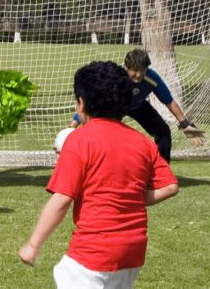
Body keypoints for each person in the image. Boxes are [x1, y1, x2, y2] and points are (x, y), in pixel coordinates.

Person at [20, 60, 179, 287]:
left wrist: (33, 245)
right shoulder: (143, 142)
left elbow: (62, 199)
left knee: (64, 273)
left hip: (94, 251)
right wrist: (135, 198)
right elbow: (170, 186)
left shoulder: (79, 141)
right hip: (133, 253)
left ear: (81, 104)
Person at [69, 48, 205, 162]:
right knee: (106, 138)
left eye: (142, 70)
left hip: (138, 106)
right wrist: (73, 126)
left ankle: (161, 173)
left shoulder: (152, 78)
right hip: (115, 108)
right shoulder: (116, 77)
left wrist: (185, 123)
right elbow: (92, 101)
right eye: (134, 70)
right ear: (126, 67)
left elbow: (168, 101)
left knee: (163, 132)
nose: (138, 74)